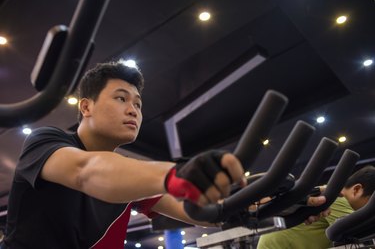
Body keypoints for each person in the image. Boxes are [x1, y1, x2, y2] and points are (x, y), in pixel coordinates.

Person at [2, 61, 327, 249]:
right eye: (121, 98)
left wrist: (257, 205)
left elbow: (197, 211)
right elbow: (86, 171)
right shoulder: (48, 142)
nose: (133, 110)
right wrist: (175, 173)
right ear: (85, 106)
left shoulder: (128, 177)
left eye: (139, 104)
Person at [257, 165, 375, 249]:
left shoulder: (330, 192)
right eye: (372, 202)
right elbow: (359, 231)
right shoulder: (337, 197)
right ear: (357, 189)